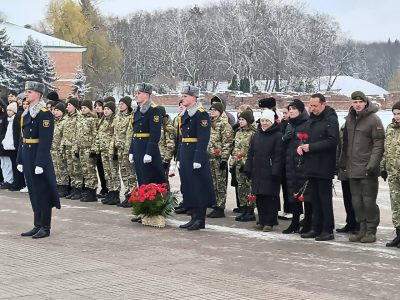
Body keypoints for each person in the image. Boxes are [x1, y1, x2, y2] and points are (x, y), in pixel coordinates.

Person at [17, 81, 60, 239]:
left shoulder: (44, 114)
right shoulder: (27, 113)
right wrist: (20, 159)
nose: (26, 94)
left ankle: (45, 227)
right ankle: (37, 224)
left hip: (38, 157)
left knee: (42, 191)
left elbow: (45, 140)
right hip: (28, 156)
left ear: (38, 94)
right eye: (27, 91)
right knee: (34, 192)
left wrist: (40, 163)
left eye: (29, 92)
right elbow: (23, 139)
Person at [340, 91, 384, 243]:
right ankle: (362, 229)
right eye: (354, 101)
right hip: (352, 168)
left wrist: (372, 165)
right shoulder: (350, 119)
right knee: (356, 202)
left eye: (360, 101)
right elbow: (345, 144)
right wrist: (343, 164)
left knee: (368, 201)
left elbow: (378, 145)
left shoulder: (374, 119)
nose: (357, 104)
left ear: (365, 102)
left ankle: (371, 231)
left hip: (367, 169)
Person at [299, 93, 339, 241]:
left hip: (324, 165)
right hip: (311, 164)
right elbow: (308, 138)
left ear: (323, 104)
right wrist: (302, 147)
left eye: (315, 105)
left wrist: (311, 147)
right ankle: (316, 227)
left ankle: (327, 229)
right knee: (314, 198)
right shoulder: (312, 119)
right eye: (311, 105)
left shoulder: (331, 119)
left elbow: (332, 141)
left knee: (324, 199)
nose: (312, 108)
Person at [177, 85, 216, 230]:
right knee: (189, 186)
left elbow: (203, 138)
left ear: (193, 98)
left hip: (195, 154)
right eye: (183, 95)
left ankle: (200, 219)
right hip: (186, 154)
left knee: (199, 187)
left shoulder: (201, 114)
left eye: (185, 96)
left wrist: (198, 159)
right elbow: (182, 138)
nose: (183, 98)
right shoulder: (186, 114)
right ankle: (193, 216)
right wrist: (180, 157)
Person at [244, 109, 284, 232]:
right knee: (259, 197)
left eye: (267, 121)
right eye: (262, 120)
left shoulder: (277, 136)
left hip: (270, 171)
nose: (264, 123)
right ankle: (261, 220)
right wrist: (248, 167)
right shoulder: (257, 134)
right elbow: (251, 153)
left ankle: (269, 222)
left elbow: (279, 155)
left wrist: (276, 171)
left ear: (272, 121)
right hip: (257, 170)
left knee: (270, 197)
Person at [282, 99, 312, 234]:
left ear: (300, 110)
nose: (291, 111)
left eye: (293, 109)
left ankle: (308, 223)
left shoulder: (307, 123)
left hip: (303, 165)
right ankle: (294, 223)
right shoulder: (290, 124)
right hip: (290, 163)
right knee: (293, 195)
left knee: (306, 195)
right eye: (289, 109)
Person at [128, 83, 166, 185]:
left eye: (139, 93)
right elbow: (134, 133)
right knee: (141, 177)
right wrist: (132, 150)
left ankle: (153, 200)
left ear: (147, 94)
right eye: (135, 93)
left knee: (151, 177)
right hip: (137, 148)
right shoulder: (136, 111)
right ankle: (144, 199)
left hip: (146, 148)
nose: (136, 95)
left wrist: (149, 152)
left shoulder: (153, 110)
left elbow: (155, 134)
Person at [206, 102, 233, 218]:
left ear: (220, 112)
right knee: (212, 183)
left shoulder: (224, 125)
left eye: (215, 110)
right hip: (209, 157)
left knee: (220, 183)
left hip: (218, 159)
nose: (212, 112)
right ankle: (214, 203)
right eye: (211, 110)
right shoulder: (209, 123)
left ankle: (220, 207)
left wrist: (224, 159)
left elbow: (227, 143)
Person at [229, 108, 256, 222]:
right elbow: (235, 148)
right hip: (238, 164)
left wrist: (247, 164)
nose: (240, 121)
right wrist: (232, 163)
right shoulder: (238, 132)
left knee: (249, 188)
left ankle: (250, 210)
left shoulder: (253, 133)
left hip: (247, 165)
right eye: (239, 119)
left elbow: (253, 151)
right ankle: (244, 208)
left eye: (243, 119)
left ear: (248, 121)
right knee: (241, 187)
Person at [381, 101, 400, 247]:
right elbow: (385, 150)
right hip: (393, 173)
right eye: (394, 114)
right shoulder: (390, 128)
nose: (397, 116)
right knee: (395, 204)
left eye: (399, 113)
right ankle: (398, 233)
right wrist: (383, 167)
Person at [336, 124, 359, 233]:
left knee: (357, 198)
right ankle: (350, 222)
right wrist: (337, 164)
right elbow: (339, 147)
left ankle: (358, 224)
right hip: (344, 166)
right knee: (347, 198)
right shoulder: (344, 126)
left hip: (357, 167)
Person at [114, 96, 137, 207]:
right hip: (119, 148)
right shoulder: (117, 117)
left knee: (130, 173)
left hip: (127, 149)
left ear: (127, 105)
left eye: (122, 103)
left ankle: (133, 196)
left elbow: (130, 134)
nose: (120, 105)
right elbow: (115, 133)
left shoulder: (131, 117)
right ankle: (127, 194)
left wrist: (127, 150)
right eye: (119, 103)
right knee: (123, 172)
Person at [74, 100, 98, 202]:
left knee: (90, 171)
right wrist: (76, 148)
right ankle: (87, 191)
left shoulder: (93, 119)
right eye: (82, 108)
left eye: (85, 108)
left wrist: (94, 149)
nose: (83, 109)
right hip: (81, 148)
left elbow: (95, 135)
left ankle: (92, 192)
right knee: (85, 171)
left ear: (89, 108)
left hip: (89, 148)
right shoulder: (80, 119)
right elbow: (76, 134)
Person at [62, 98, 83, 200]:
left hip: (74, 146)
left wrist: (76, 146)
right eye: (67, 105)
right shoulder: (66, 117)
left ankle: (78, 189)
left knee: (77, 169)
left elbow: (78, 133)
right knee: (70, 169)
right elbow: (64, 132)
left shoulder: (79, 117)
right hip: (67, 146)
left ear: (75, 106)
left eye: (70, 105)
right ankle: (73, 189)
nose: (67, 107)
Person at [51, 102, 69, 197]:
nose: (56, 112)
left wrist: (62, 147)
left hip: (60, 148)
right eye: (55, 110)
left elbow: (64, 136)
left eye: (58, 110)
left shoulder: (64, 121)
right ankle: (58, 185)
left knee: (62, 168)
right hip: (53, 148)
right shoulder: (54, 121)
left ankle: (64, 187)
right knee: (56, 169)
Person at [94, 99, 108, 198]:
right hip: (97, 147)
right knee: (100, 169)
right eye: (95, 106)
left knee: (105, 169)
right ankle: (103, 188)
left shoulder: (105, 118)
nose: (97, 107)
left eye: (99, 105)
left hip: (105, 147)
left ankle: (107, 189)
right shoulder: (96, 118)